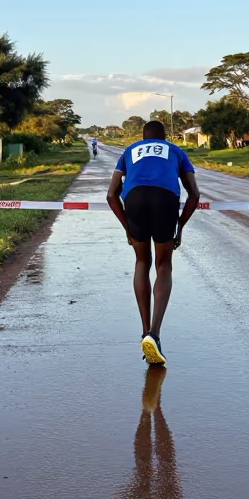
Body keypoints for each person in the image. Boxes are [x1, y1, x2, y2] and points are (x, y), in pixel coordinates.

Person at [106, 120, 201, 365]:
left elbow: (111, 194)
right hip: (165, 199)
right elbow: (194, 193)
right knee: (163, 265)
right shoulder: (176, 151)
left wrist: (127, 226)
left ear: (143, 137)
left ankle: (144, 329)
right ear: (164, 137)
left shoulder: (129, 151)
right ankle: (155, 334)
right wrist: (180, 224)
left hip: (134, 200)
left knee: (141, 261)